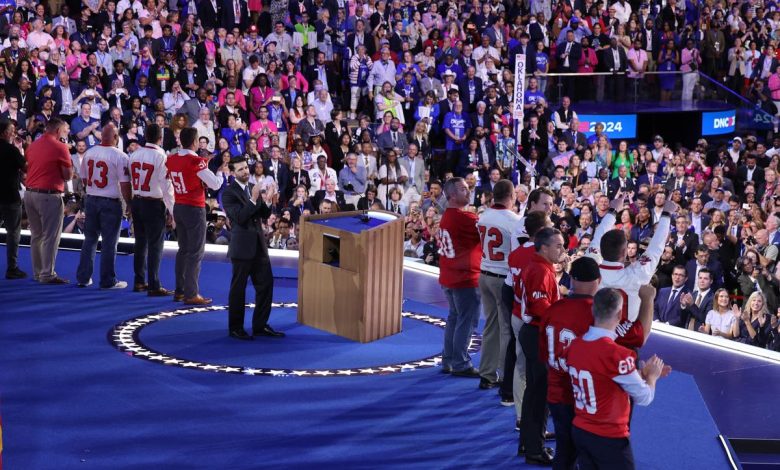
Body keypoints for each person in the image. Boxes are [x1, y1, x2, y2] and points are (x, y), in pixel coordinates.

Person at [565, 288, 670, 470]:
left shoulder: (574, 345)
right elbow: (644, 397)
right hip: (608, 437)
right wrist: (651, 377)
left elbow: (601, 378)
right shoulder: (618, 354)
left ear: (593, 310)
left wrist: (640, 374)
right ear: (620, 313)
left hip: (580, 430)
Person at [587, 192, 676, 349]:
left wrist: (612, 211)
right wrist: (666, 215)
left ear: (599, 249)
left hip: (592, 337)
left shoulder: (591, 266)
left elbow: (598, 235)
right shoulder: (636, 275)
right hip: (625, 345)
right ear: (624, 252)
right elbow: (656, 248)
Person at [541, 256, 602, 470]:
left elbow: (543, 352)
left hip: (556, 392)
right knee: (585, 453)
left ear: (571, 280)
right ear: (599, 280)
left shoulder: (553, 309)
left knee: (564, 449)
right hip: (584, 397)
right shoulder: (598, 314)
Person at [222, 157, 285, 340]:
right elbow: (240, 218)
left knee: (266, 285)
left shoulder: (252, 187)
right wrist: (254, 198)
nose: (245, 171)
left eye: (245, 168)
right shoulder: (228, 194)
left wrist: (268, 200)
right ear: (233, 173)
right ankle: (236, 328)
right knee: (238, 288)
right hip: (242, 247)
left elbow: (263, 215)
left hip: (259, 245)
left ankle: (260, 325)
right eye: (240, 169)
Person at [519, 227, 567, 465]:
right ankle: (534, 448)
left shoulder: (540, 267)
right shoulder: (540, 270)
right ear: (544, 247)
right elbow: (541, 308)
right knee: (539, 394)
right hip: (538, 334)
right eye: (558, 245)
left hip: (535, 333)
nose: (562, 249)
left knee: (535, 393)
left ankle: (530, 440)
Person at [166, 127, 223, 304]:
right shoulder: (196, 161)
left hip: (179, 206)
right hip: (194, 208)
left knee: (183, 249)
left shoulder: (172, 159)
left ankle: (180, 290)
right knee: (196, 252)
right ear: (194, 142)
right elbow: (214, 184)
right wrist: (219, 172)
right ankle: (191, 294)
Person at [76, 124, 132, 289]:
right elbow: (124, 184)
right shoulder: (120, 156)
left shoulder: (89, 153)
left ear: (101, 136)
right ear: (116, 138)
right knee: (109, 243)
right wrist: (129, 203)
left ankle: (83, 278)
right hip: (110, 202)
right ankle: (107, 280)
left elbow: (84, 180)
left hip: (91, 200)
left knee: (90, 240)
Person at [476, 179, 519, 390]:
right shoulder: (513, 220)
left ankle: (486, 373)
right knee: (505, 329)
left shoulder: (483, 216)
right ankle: (504, 375)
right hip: (502, 276)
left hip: (484, 273)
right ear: (511, 196)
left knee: (490, 326)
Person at [438, 177, 482, 377]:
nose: (469, 191)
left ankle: (448, 359)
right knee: (466, 320)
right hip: (464, 278)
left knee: (455, 318)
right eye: (464, 189)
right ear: (452, 196)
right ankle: (460, 363)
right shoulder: (465, 219)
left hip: (449, 276)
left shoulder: (446, 216)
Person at [23, 118, 73, 284]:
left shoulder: (33, 145)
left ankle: (38, 273)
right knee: (50, 236)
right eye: (65, 131)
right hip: (48, 195)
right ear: (58, 131)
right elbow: (68, 176)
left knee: (36, 235)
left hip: (30, 194)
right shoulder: (60, 147)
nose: (66, 134)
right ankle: (47, 274)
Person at [129, 123, 176, 295]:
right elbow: (167, 186)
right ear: (160, 138)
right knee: (155, 245)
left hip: (137, 200)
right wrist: (173, 211)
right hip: (153, 203)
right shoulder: (161, 156)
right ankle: (154, 284)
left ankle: (139, 281)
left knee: (140, 242)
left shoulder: (134, 154)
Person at [0, 120, 27, 279]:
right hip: (10, 197)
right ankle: (12, 268)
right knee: (13, 233)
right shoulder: (11, 150)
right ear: (4, 133)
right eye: (11, 130)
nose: (14, 133)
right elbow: (26, 167)